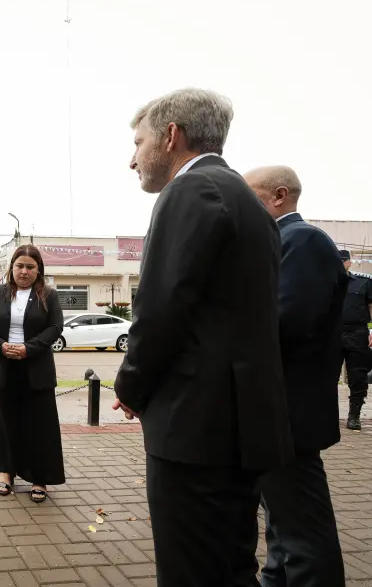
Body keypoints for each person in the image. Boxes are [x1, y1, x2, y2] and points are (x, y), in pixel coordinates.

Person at [112, 88, 293, 587]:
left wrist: (130, 387)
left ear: (172, 136)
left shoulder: (190, 190)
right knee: (230, 568)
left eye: (138, 142)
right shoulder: (246, 200)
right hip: (238, 427)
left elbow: (161, 309)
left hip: (195, 431)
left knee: (191, 571)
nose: (133, 160)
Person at [243, 165, 346, 586]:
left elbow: (286, 323)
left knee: (304, 535)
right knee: (282, 525)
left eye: (249, 196)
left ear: (279, 195)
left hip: (289, 415)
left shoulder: (302, 240)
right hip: (276, 413)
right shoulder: (278, 241)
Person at [0, 245, 65, 502]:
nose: (24, 271)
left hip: (36, 367)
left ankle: (40, 478)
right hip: (5, 365)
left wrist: (29, 349)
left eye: (30, 267)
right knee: (6, 422)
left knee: (39, 425)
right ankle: (6, 472)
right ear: (12, 267)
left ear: (38, 270)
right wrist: (0, 345)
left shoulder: (48, 295)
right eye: (19, 266)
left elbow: (55, 327)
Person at [338, 249, 372, 431]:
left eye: (344, 260)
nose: (341, 263)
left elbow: (371, 306)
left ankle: (354, 416)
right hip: (332, 334)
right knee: (326, 376)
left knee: (358, 376)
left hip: (357, 333)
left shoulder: (363, 282)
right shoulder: (327, 284)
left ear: (349, 262)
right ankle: (327, 417)